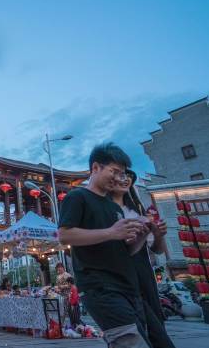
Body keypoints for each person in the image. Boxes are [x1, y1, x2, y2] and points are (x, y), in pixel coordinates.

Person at [58, 143, 150, 348]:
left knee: (136, 341)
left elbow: (126, 250)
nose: (119, 178)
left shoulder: (113, 206)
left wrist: (142, 236)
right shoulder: (77, 197)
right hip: (101, 287)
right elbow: (64, 235)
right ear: (96, 168)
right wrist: (111, 232)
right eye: (114, 171)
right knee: (131, 342)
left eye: (122, 173)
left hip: (129, 287)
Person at [110, 170, 175, 348]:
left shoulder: (138, 211)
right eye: (120, 176)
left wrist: (158, 234)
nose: (125, 181)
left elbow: (157, 250)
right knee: (130, 328)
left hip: (143, 273)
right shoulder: (104, 209)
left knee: (155, 325)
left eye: (128, 178)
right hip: (118, 273)